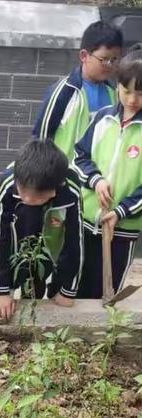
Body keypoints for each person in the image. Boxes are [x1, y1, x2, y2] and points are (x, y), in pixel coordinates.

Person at [0, 139, 83, 320]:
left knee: (47, 263)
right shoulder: (9, 185)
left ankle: (48, 289)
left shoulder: (69, 190)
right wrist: (1, 291)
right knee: (24, 260)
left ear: (55, 188)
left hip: (54, 224)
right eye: (23, 191)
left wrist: (69, 290)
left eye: (35, 195)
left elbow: (75, 240)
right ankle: (22, 288)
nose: (25, 197)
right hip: (21, 224)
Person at [74, 47, 142, 298]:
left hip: (122, 228)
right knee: (74, 285)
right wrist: (97, 180)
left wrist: (120, 211)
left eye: (140, 93)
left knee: (105, 292)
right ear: (117, 87)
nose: (132, 100)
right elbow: (80, 156)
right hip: (85, 220)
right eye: (127, 91)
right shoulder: (101, 119)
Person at [33, 21, 123, 159]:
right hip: (64, 175)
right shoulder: (64, 91)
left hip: (97, 177)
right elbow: (41, 139)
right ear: (84, 56)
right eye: (104, 59)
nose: (109, 65)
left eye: (114, 59)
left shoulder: (114, 94)